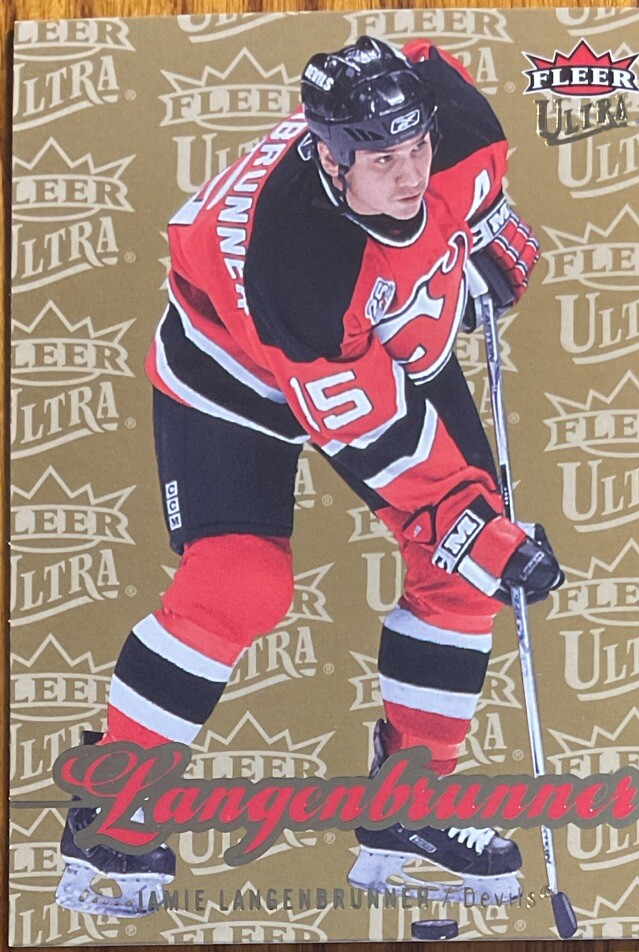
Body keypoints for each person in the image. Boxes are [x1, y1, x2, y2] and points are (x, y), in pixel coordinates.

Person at [56, 35, 563, 918]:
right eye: (382, 160)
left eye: (418, 148)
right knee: (240, 582)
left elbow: (424, 71)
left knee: (459, 576)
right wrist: (478, 530)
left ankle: (408, 808)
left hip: (381, 331)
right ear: (330, 160)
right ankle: (112, 810)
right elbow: (382, 438)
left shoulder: (456, 120)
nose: (411, 174)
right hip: (234, 364)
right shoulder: (296, 262)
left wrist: (480, 230)